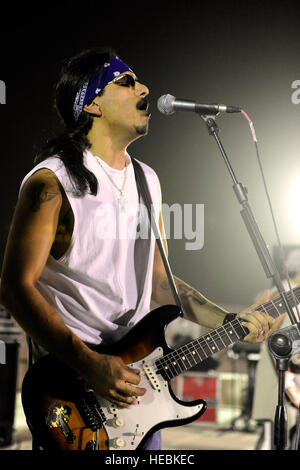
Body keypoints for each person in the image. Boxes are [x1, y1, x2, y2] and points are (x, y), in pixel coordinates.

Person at [0, 47, 282, 450]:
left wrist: (229, 321)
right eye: (127, 81)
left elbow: (160, 284)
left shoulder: (147, 181)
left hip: (135, 387)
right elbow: (14, 288)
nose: (144, 88)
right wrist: (90, 364)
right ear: (92, 103)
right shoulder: (50, 184)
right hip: (72, 388)